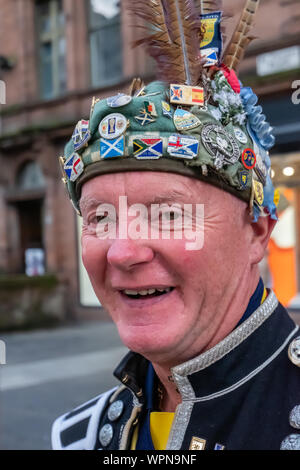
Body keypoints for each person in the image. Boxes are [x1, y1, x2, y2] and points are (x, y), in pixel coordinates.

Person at [51, 0, 300, 450]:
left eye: (168, 215)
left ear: (257, 232)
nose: (123, 252)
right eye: (99, 218)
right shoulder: (79, 435)